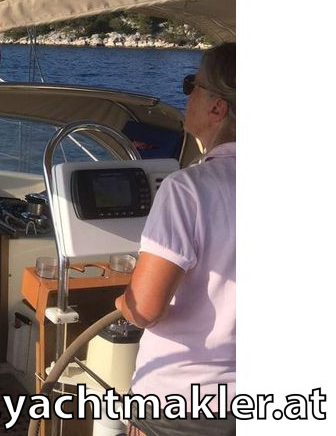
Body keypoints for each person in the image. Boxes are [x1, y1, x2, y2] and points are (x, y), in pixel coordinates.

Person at [114, 42, 236, 436]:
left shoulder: (188, 189)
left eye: (191, 85)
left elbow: (144, 310)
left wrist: (122, 303)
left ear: (217, 108)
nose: (186, 96)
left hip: (181, 407)